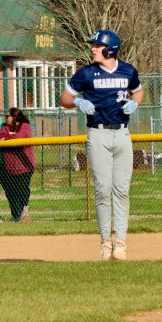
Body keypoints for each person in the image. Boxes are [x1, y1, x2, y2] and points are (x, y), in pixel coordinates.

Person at [59, 29, 143, 260]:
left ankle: (122, 243)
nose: (93, 49)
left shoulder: (128, 70)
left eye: (97, 45)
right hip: (98, 134)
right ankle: (106, 241)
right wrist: (77, 101)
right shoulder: (86, 73)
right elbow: (64, 98)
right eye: (93, 45)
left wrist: (135, 103)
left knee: (122, 189)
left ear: (110, 49)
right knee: (103, 189)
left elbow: (137, 91)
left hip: (122, 134)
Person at [0, 108, 35, 222]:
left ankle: (24, 212)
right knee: (11, 192)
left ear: (15, 117)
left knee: (22, 189)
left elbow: (19, 137)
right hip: (10, 167)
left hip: (25, 166)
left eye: (8, 116)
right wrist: (8, 133)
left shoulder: (25, 126)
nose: (6, 118)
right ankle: (16, 216)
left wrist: (6, 137)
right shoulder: (5, 127)